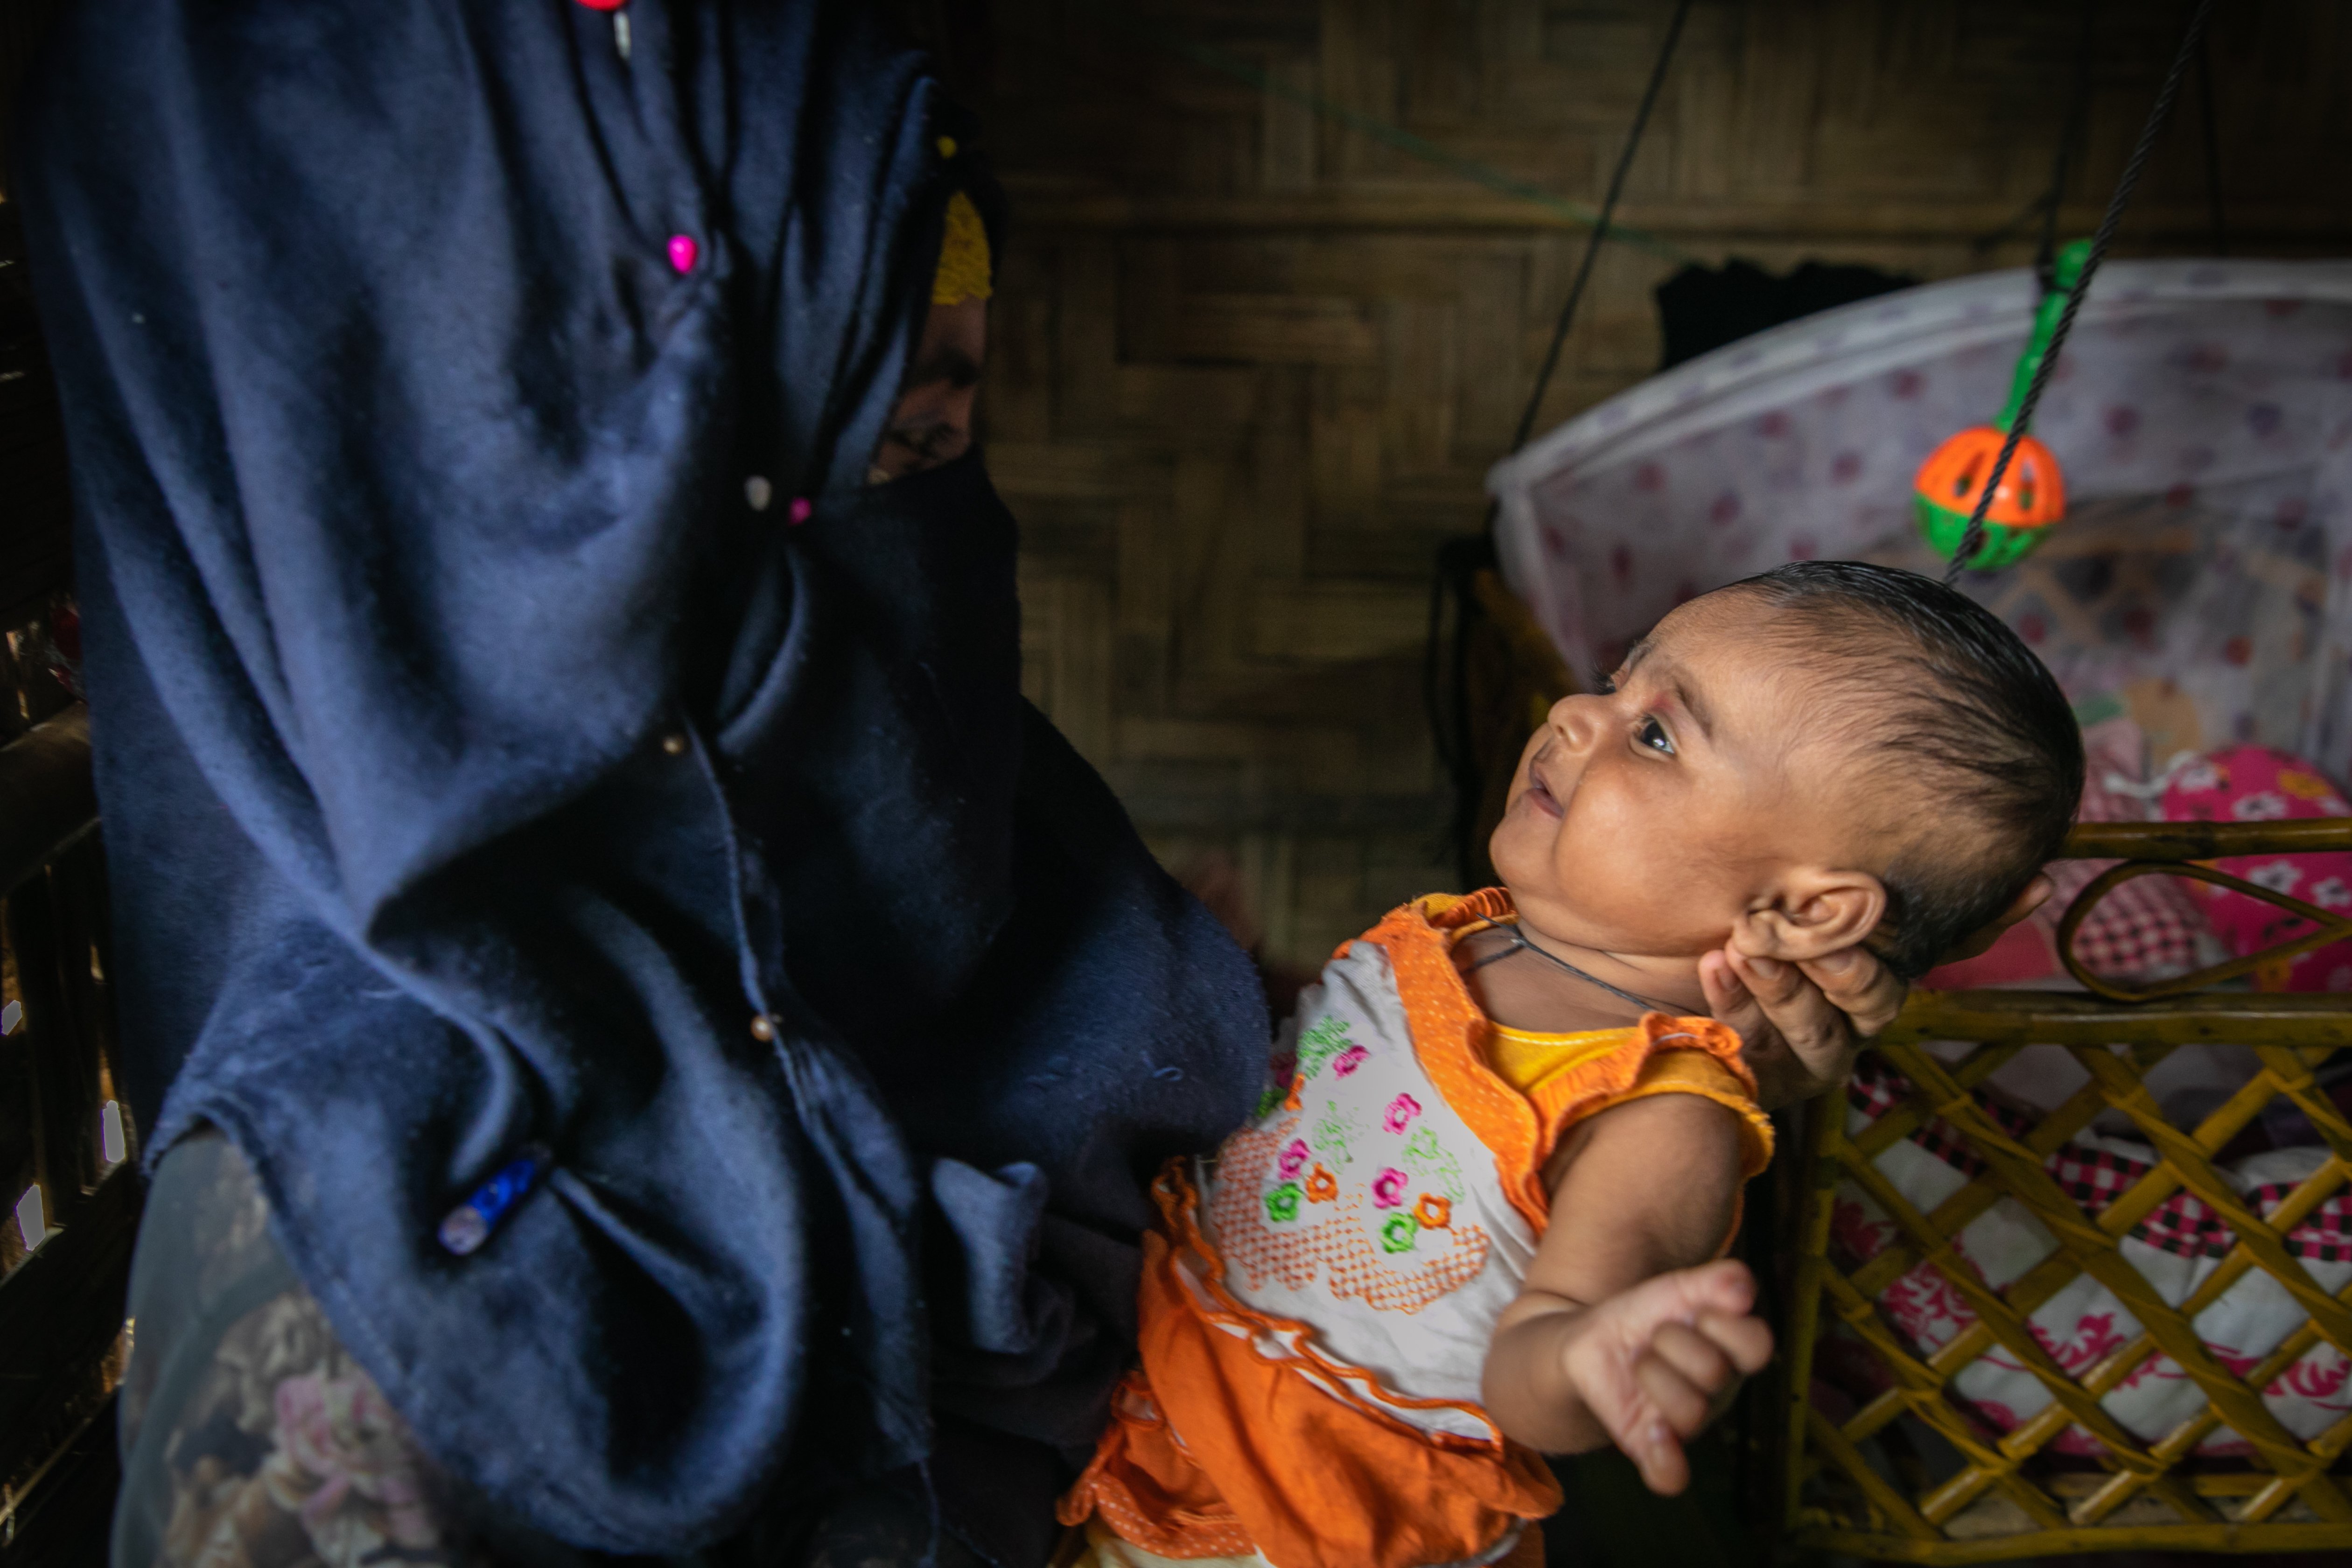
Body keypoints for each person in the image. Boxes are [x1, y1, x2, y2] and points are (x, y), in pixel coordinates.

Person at [1057, 561, 2081, 1568]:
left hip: (1322, 1512)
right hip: (1169, 1391)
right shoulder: (1478, 939)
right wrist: (1227, 981)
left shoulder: (1662, 1115)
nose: (1572, 715)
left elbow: (1531, 1369)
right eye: (1613, 679)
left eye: (1657, 733)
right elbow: (1356, 1088)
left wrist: (1596, 1360)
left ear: (1810, 909)